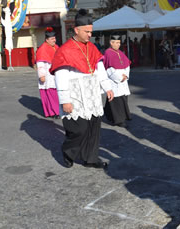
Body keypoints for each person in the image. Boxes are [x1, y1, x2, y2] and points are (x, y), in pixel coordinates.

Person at [50, 9, 114, 169]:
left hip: (91, 95)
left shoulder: (91, 47)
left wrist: (107, 87)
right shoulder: (64, 50)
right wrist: (65, 100)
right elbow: (61, 76)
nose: (89, 35)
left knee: (93, 128)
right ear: (76, 30)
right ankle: (68, 151)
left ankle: (90, 158)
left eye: (91, 32)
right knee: (79, 129)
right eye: (86, 31)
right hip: (75, 96)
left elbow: (99, 68)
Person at [103, 34, 131, 128]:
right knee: (116, 100)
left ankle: (109, 114)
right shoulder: (108, 53)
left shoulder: (120, 52)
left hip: (123, 80)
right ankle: (119, 120)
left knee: (119, 99)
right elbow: (109, 69)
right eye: (116, 42)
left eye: (119, 42)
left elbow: (127, 64)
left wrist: (126, 75)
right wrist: (119, 78)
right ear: (111, 42)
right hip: (114, 81)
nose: (118, 44)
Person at [35, 27, 60, 119]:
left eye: (55, 38)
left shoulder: (56, 47)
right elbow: (40, 63)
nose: (54, 40)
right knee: (50, 94)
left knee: (56, 94)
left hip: (56, 74)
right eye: (52, 39)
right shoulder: (42, 49)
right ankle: (54, 111)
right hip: (47, 75)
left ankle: (55, 111)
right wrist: (41, 75)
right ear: (47, 40)